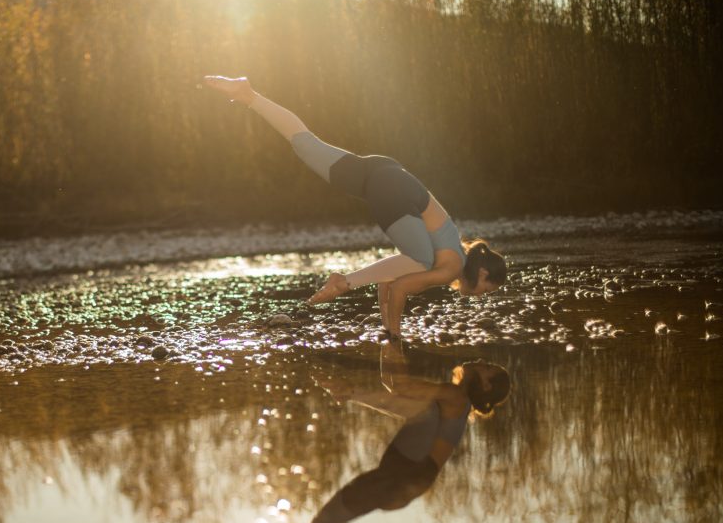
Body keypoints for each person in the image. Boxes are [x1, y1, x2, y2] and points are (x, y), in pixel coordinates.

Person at [204, 76, 507, 338]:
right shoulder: (451, 266)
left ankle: (249, 95)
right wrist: (396, 338)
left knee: (307, 145)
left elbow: (389, 281)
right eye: (487, 290)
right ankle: (344, 282)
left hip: (387, 174)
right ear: (481, 275)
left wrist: (388, 329)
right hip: (396, 191)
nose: (482, 297)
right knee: (420, 261)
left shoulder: (453, 250)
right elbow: (400, 288)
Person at [229, 343, 510, 523]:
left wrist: (392, 338)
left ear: (485, 385)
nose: (483, 361)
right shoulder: (452, 407)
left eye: (488, 368)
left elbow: (398, 386)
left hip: (401, 478)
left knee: (325, 522)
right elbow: (396, 400)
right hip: (407, 482)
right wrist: (353, 392)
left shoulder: (454, 395)